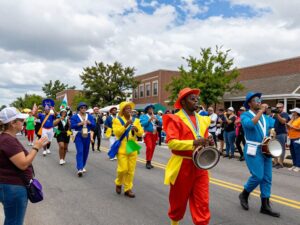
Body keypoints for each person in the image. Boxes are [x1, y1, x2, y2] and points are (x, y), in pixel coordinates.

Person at [163, 88, 211, 225]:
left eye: (197, 98)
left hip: (200, 165)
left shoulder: (203, 120)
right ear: (183, 102)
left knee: (202, 201)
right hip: (181, 165)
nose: (196, 100)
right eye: (192, 98)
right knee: (178, 200)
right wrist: (194, 142)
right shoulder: (175, 119)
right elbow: (172, 143)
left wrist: (208, 142)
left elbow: (205, 138)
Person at [0, 107, 47, 225]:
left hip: (10, 186)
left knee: (12, 219)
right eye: (20, 120)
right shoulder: (8, 140)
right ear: (12, 123)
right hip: (13, 187)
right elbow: (23, 164)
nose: (23, 122)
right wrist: (36, 147)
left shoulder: (7, 138)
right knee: (15, 221)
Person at [239, 92, 280, 217]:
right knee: (258, 176)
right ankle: (244, 194)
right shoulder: (245, 115)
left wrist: (276, 114)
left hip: (265, 148)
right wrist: (261, 111)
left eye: (260, 100)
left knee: (267, 178)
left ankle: (265, 205)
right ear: (249, 103)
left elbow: (274, 126)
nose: (259, 102)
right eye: (256, 100)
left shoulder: (265, 117)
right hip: (252, 148)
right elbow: (250, 124)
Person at [113, 101, 143, 198]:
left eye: (130, 109)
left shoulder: (136, 120)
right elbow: (117, 133)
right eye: (127, 109)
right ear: (122, 111)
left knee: (131, 170)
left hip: (132, 145)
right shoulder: (117, 120)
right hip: (122, 145)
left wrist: (137, 130)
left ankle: (127, 189)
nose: (129, 110)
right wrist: (126, 125)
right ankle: (118, 183)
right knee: (123, 169)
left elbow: (141, 133)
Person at [70, 102, 95, 177]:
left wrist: (90, 123)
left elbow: (94, 126)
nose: (83, 109)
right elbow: (71, 126)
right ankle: (79, 168)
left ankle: (83, 165)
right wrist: (79, 124)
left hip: (87, 135)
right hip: (78, 135)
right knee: (80, 151)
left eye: (85, 107)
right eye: (82, 108)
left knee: (86, 152)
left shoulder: (90, 116)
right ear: (79, 109)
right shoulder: (75, 117)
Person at [140, 105, 159, 169]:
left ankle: (149, 161)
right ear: (147, 110)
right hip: (148, 133)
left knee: (153, 148)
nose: (151, 110)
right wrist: (149, 120)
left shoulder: (156, 116)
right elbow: (142, 124)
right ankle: (147, 162)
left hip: (154, 133)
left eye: (152, 109)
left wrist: (157, 120)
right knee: (149, 147)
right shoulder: (144, 116)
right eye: (150, 109)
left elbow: (161, 123)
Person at [272, 103, 290, 169]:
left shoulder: (285, 114)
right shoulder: (275, 115)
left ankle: (281, 163)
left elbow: (283, 122)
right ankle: (275, 162)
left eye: (279, 107)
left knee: (282, 148)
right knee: (274, 148)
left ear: (282, 108)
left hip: (282, 133)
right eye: (277, 107)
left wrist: (277, 114)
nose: (278, 108)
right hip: (275, 133)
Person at [286, 107, 300, 172]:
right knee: (292, 152)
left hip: (297, 138)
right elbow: (288, 126)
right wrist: (288, 125)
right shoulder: (293, 119)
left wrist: (292, 127)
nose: (292, 113)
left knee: (297, 152)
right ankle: (294, 165)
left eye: (293, 112)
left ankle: (298, 166)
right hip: (291, 137)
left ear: (296, 113)